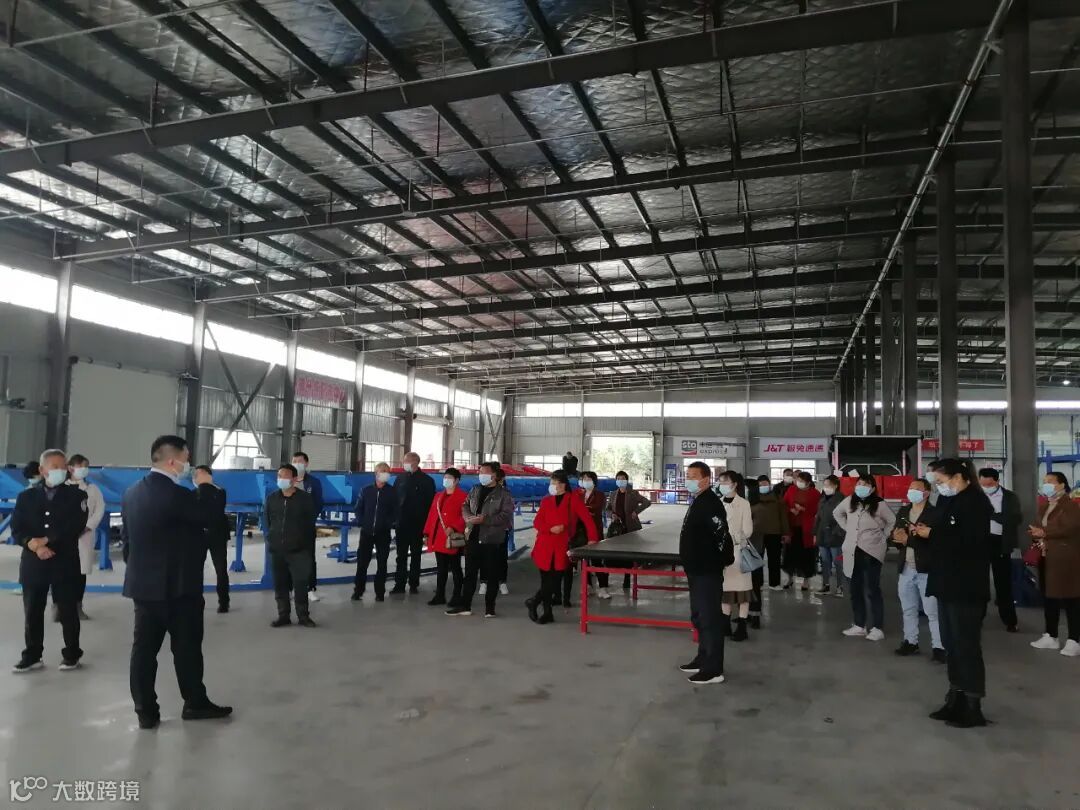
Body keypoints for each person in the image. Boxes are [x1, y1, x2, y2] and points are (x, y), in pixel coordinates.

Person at [121, 435, 231, 729]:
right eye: (186, 459)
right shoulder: (177, 495)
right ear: (172, 461)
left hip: (144, 588)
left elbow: (128, 543)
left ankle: (145, 712)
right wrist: (206, 485)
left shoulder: (131, 493)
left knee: (144, 652)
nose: (188, 465)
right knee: (187, 649)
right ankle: (195, 703)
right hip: (180, 588)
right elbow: (209, 515)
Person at [919, 458, 995, 728]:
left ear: (959, 477)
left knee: (966, 646)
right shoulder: (947, 500)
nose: (939, 487)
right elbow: (942, 533)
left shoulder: (975, 503)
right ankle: (955, 698)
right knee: (951, 644)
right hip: (946, 583)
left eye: (941, 481)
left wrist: (932, 535)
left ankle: (973, 706)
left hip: (966, 586)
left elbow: (969, 542)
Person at [11, 449, 88, 674]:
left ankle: (71, 654)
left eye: (63, 467)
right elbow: (17, 528)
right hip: (34, 561)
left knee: (67, 611)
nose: (60, 471)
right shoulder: (26, 497)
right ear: (42, 470)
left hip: (64, 561)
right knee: (33, 611)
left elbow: (75, 525)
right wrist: (32, 544)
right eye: (55, 467)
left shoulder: (77, 496)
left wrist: (46, 540)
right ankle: (32, 655)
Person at [677, 461, 731, 685]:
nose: (688, 480)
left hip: (707, 572)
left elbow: (722, 536)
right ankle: (703, 658)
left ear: (706, 479)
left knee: (710, 619)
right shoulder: (698, 500)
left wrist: (720, 561)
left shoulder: (710, 503)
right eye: (687, 475)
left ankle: (713, 669)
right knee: (699, 617)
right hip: (696, 570)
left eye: (693, 476)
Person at [527, 470, 598, 624]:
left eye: (556, 483)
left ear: (563, 485)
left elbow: (587, 520)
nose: (553, 486)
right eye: (552, 482)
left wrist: (593, 538)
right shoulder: (546, 501)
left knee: (554, 580)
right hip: (544, 545)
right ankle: (547, 612)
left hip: (561, 546)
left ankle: (534, 601)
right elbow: (537, 522)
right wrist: (550, 529)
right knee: (546, 580)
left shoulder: (573, 500)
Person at [835, 474, 895, 642]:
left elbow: (892, 521)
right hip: (852, 550)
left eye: (866, 484)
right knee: (855, 589)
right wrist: (848, 528)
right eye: (859, 483)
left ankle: (877, 627)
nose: (861, 487)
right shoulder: (849, 501)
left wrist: (883, 536)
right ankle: (859, 625)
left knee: (872, 589)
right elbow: (837, 513)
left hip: (872, 551)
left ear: (873, 488)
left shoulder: (879, 504)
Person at [450, 462, 514, 617]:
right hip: (473, 536)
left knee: (492, 575)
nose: (481, 475)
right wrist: (468, 518)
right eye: (480, 472)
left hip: (492, 539)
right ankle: (465, 606)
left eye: (484, 472)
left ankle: (490, 608)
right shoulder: (475, 489)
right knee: (470, 574)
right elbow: (465, 505)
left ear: (494, 475)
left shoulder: (503, 494)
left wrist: (485, 520)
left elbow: (505, 516)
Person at [890, 478, 945, 662]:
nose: (911, 491)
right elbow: (896, 536)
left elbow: (936, 542)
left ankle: (939, 646)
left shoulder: (935, 514)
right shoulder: (904, 511)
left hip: (926, 568)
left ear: (927, 493)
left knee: (932, 611)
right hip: (906, 567)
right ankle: (910, 641)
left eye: (917, 489)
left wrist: (910, 539)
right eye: (910, 488)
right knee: (908, 608)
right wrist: (896, 537)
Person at [1028, 472, 1080, 656]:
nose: (1046, 485)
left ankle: (1074, 639)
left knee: (1071, 598)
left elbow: (1069, 527)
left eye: (1050, 482)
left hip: (1065, 558)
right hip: (1046, 557)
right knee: (1049, 597)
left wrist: (1044, 533)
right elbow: (1038, 526)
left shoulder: (1071, 506)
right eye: (1044, 482)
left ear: (1062, 485)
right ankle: (1051, 635)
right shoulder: (1044, 506)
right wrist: (1035, 532)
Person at [265, 464, 318, 628]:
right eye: (279, 476)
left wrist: (304, 546)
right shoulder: (272, 498)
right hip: (277, 550)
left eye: (285, 476)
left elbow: (310, 524)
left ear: (294, 479)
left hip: (299, 551)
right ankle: (283, 615)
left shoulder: (305, 499)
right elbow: (267, 520)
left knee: (300, 584)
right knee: (280, 585)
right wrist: (272, 539)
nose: (281, 479)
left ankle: (303, 616)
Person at [54, 453, 104, 622]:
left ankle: (77, 606)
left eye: (86, 467)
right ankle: (58, 607)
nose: (84, 470)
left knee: (80, 573)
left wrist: (88, 526)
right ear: (70, 468)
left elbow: (99, 509)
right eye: (81, 466)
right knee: (60, 573)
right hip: (63, 537)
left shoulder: (92, 489)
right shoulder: (61, 488)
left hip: (85, 536)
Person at [977, 468, 1021, 632]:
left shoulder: (1009, 497)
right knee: (979, 582)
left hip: (1000, 542)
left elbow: (1015, 518)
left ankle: (1010, 620)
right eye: (983, 484)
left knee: (1003, 583)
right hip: (980, 542)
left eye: (989, 484)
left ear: (997, 481)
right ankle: (977, 617)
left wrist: (993, 515)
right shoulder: (976, 496)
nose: (986, 487)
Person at [351, 462, 399, 602]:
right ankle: (358, 591)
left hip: (383, 533)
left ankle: (380, 592)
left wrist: (387, 523)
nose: (385, 473)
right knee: (362, 563)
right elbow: (358, 508)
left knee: (382, 563)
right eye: (382, 471)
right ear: (376, 473)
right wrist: (362, 522)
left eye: (387, 471)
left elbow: (396, 511)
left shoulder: (392, 492)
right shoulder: (366, 490)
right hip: (366, 532)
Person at [391, 452, 435, 595]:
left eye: (407, 461)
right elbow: (395, 499)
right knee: (401, 556)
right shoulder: (400, 478)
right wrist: (395, 520)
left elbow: (430, 505)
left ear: (415, 462)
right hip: (401, 524)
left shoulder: (427, 481)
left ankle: (414, 584)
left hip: (418, 524)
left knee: (416, 555)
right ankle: (399, 584)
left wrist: (426, 527)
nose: (404, 463)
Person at [422, 467, 467, 607]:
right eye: (445, 477)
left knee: (455, 567)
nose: (446, 480)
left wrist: (454, 527)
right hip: (439, 538)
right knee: (441, 568)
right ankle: (440, 595)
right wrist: (427, 533)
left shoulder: (463, 497)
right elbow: (431, 516)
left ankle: (457, 595)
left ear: (457, 480)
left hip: (453, 538)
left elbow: (465, 516)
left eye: (450, 478)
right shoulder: (438, 496)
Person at [718, 471, 753, 641]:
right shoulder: (718, 503)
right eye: (720, 481)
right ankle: (725, 624)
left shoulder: (744, 504)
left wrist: (731, 538)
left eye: (726, 481)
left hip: (739, 552)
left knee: (742, 593)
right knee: (725, 592)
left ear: (735, 484)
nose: (722, 485)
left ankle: (742, 627)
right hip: (721, 553)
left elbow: (748, 530)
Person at [193, 465, 230, 614]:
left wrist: (203, 486)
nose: (195, 478)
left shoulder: (218, 492)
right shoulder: (216, 492)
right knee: (198, 570)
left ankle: (223, 602)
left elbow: (212, 510)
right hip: (203, 535)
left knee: (219, 570)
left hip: (213, 535)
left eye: (197, 474)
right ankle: (199, 601)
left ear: (205, 475)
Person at [605, 471, 651, 590]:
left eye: (623, 478)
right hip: (617, 528)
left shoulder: (633, 493)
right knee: (613, 552)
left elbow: (647, 502)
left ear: (626, 480)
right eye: (618, 478)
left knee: (628, 555)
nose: (620, 480)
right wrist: (612, 514)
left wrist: (636, 512)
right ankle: (606, 578)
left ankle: (627, 578)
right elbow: (608, 508)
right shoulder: (613, 494)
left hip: (631, 528)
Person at [291, 451, 324, 603]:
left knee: (309, 558)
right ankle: (291, 588)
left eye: (300, 461)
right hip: (290, 528)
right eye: (294, 461)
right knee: (290, 558)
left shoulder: (313, 482)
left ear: (306, 463)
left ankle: (310, 589)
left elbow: (318, 503)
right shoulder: (288, 481)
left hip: (307, 527)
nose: (297, 463)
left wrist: (309, 519)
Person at [752, 474, 790, 598]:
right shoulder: (753, 499)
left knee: (774, 559)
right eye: (760, 484)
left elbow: (783, 517)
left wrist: (786, 533)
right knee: (757, 559)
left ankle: (774, 583)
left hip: (774, 533)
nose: (763, 486)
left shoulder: (778, 498)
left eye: (765, 484)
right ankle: (758, 583)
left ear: (769, 484)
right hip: (756, 533)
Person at [783, 471, 821, 590]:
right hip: (792, 527)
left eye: (802, 481)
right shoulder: (791, 490)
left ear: (808, 483)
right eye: (798, 480)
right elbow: (784, 504)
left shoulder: (815, 494)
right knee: (790, 554)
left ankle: (806, 581)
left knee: (806, 555)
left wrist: (804, 509)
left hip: (806, 529)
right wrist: (791, 509)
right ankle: (789, 579)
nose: (798, 483)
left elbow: (817, 510)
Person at [812, 475, 846, 597]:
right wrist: (815, 533)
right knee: (825, 562)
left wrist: (836, 531)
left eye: (829, 485)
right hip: (822, 535)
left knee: (837, 562)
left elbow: (845, 518)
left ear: (836, 486)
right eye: (825, 485)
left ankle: (840, 587)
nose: (826, 487)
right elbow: (818, 517)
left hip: (835, 536)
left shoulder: (842, 499)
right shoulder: (822, 499)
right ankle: (825, 585)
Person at [578, 471, 608, 599]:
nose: (585, 481)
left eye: (588, 479)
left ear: (594, 481)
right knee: (584, 560)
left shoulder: (600, 495)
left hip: (595, 531)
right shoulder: (580, 495)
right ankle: (588, 585)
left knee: (597, 560)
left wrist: (583, 510)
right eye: (583, 479)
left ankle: (603, 587)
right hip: (581, 531)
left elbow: (596, 508)